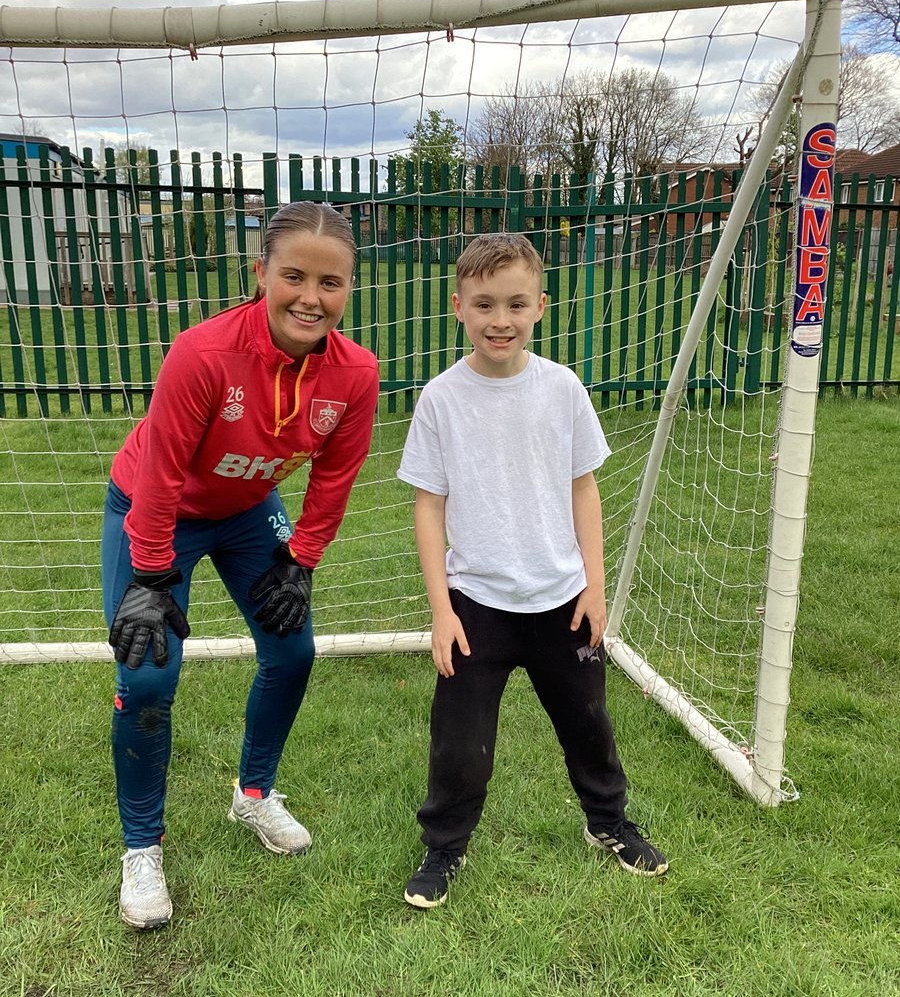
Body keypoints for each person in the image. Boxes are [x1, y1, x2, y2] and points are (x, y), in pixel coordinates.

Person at [103, 200, 380, 929]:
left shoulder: (355, 375)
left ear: (350, 288)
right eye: (293, 276)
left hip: (247, 510)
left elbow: (335, 478)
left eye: (331, 283)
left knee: (292, 650)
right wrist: (153, 575)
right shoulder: (204, 353)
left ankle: (253, 795)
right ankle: (142, 848)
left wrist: (303, 560)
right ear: (260, 274)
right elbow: (162, 474)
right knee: (149, 672)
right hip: (152, 508)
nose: (310, 297)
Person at [397, 232, 668, 909]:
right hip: (476, 605)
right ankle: (444, 848)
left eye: (516, 303)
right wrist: (441, 608)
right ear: (457, 305)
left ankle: (607, 823)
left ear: (540, 306)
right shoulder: (440, 399)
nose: (500, 319)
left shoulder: (562, 389)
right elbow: (429, 507)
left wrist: (594, 587)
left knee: (588, 724)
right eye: (484, 303)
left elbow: (584, 489)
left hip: (561, 601)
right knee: (459, 744)